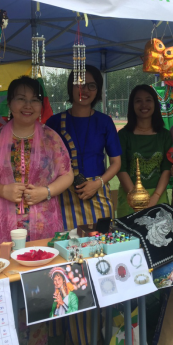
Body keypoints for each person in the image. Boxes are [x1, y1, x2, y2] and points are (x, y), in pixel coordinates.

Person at [0, 76, 73, 248]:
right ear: (9, 103)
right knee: (2, 264)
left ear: (41, 106)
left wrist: (46, 191)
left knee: (42, 261)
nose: (28, 105)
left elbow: (66, 175)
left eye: (34, 100)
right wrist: (2, 190)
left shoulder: (51, 138)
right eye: (21, 99)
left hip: (43, 222)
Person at [47, 65, 121, 231]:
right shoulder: (54, 122)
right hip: (63, 194)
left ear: (98, 90)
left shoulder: (105, 122)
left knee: (102, 241)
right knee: (67, 242)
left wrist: (97, 183)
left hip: (98, 193)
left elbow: (116, 163)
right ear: (70, 87)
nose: (85, 90)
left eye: (91, 85)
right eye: (79, 84)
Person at [117, 85, 173, 217]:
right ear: (132, 105)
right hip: (130, 197)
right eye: (138, 101)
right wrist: (137, 198)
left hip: (158, 197)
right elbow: (120, 168)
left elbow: (167, 168)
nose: (144, 105)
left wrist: (155, 198)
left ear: (155, 103)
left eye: (148, 100)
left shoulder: (164, 135)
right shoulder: (123, 135)